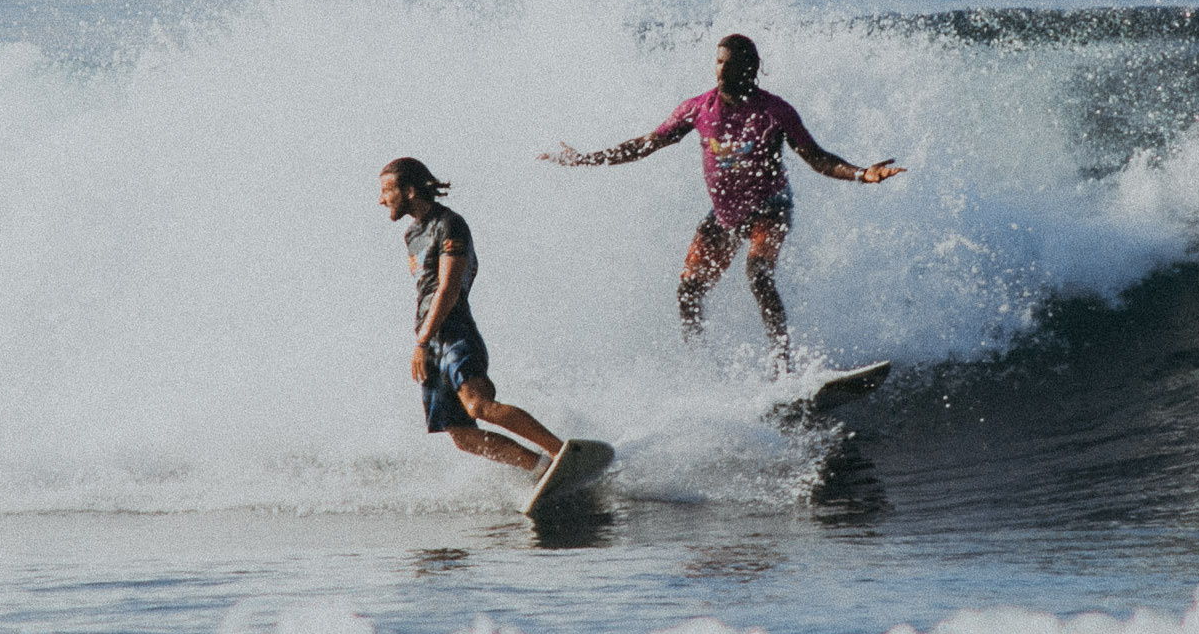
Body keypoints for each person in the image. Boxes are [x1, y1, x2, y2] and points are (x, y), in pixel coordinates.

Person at [541, 34, 903, 371]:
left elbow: (818, 158)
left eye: (731, 63)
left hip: (770, 208)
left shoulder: (775, 111)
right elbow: (646, 143)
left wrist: (860, 173)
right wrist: (587, 158)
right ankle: (699, 366)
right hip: (725, 216)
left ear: (752, 67)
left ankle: (783, 367)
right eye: (718, 62)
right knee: (688, 291)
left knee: (758, 276)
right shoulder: (698, 108)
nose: (722, 70)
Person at [380, 156, 565, 475]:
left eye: (387, 191)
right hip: (430, 341)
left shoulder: (449, 224)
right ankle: (542, 469)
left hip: (455, 331)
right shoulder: (411, 235)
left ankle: (561, 452)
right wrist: (424, 341)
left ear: (409, 191)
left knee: (478, 404)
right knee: (462, 435)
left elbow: (449, 289)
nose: (382, 200)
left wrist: (422, 342)